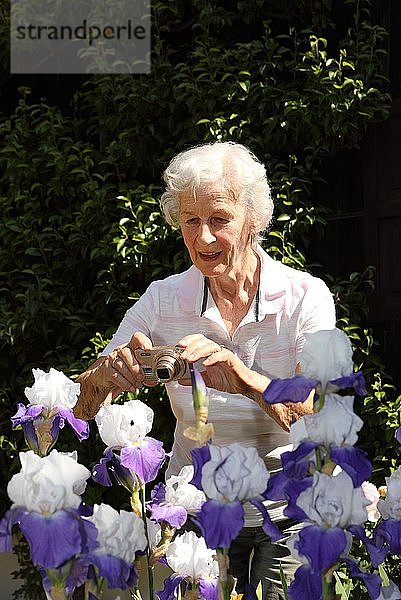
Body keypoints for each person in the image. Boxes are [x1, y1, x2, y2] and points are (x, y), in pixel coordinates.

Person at [74, 141, 336, 599]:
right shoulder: (162, 298)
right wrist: (104, 376)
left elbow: (316, 413)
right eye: (191, 221)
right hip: (196, 508)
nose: (203, 237)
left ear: (253, 220)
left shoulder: (305, 297)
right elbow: (81, 408)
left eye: (219, 219)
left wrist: (243, 380)